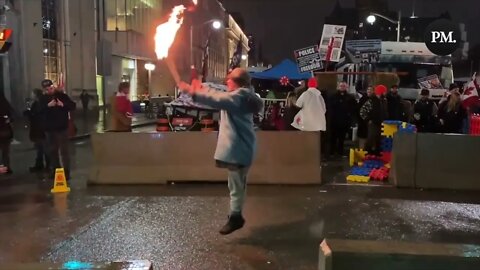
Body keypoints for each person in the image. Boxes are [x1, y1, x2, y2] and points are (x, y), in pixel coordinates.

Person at [178, 68, 263, 235]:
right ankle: (235, 215)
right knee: (236, 183)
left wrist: (192, 92)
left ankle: (236, 217)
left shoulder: (238, 97)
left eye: (229, 79)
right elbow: (218, 94)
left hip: (239, 147)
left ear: (237, 82)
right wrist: (197, 88)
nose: (226, 81)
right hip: (239, 147)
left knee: (237, 184)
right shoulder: (240, 95)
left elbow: (216, 99)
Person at [40, 79, 76, 180]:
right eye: (47, 89)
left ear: (53, 87)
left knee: (64, 151)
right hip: (49, 129)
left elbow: (72, 106)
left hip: (62, 128)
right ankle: (56, 170)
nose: (49, 90)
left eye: (51, 88)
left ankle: (66, 172)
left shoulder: (62, 96)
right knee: (52, 151)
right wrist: (47, 106)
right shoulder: (42, 98)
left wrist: (63, 105)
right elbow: (38, 111)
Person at [328, 81, 357, 157]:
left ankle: (340, 152)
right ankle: (332, 152)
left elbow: (353, 109)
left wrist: (350, 118)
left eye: (343, 86)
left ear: (346, 87)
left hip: (344, 121)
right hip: (334, 121)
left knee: (342, 138)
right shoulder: (333, 96)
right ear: (338, 87)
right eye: (341, 86)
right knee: (333, 137)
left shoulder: (350, 98)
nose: (342, 87)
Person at [24, 89, 49, 172]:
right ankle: (39, 164)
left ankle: (48, 165)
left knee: (44, 147)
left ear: (36, 95)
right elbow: (33, 114)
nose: (31, 95)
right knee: (39, 148)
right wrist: (29, 113)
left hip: (42, 129)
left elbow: (39, 114)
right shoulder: (35, 103)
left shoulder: (42, 103)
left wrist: (31, 114)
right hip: (37, 128)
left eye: (32, 94)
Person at [360, 85, 388, 155]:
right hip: (373, 123)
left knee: (379, 139)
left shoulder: (384, 100)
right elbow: (362, 111)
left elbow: (385, 111)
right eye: (384, 92)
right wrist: (368, 120)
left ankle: (377, 153)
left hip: (381, 122)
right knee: (371, 138)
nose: (385, 93)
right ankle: (367, 152)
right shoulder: (371, 101)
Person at [0, 92, 13, 174]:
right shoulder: (4, 103)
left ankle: (4, 167)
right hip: (5, 130)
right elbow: (12, 114)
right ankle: (6, 167)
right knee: (5, 151)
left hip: (4, 130)